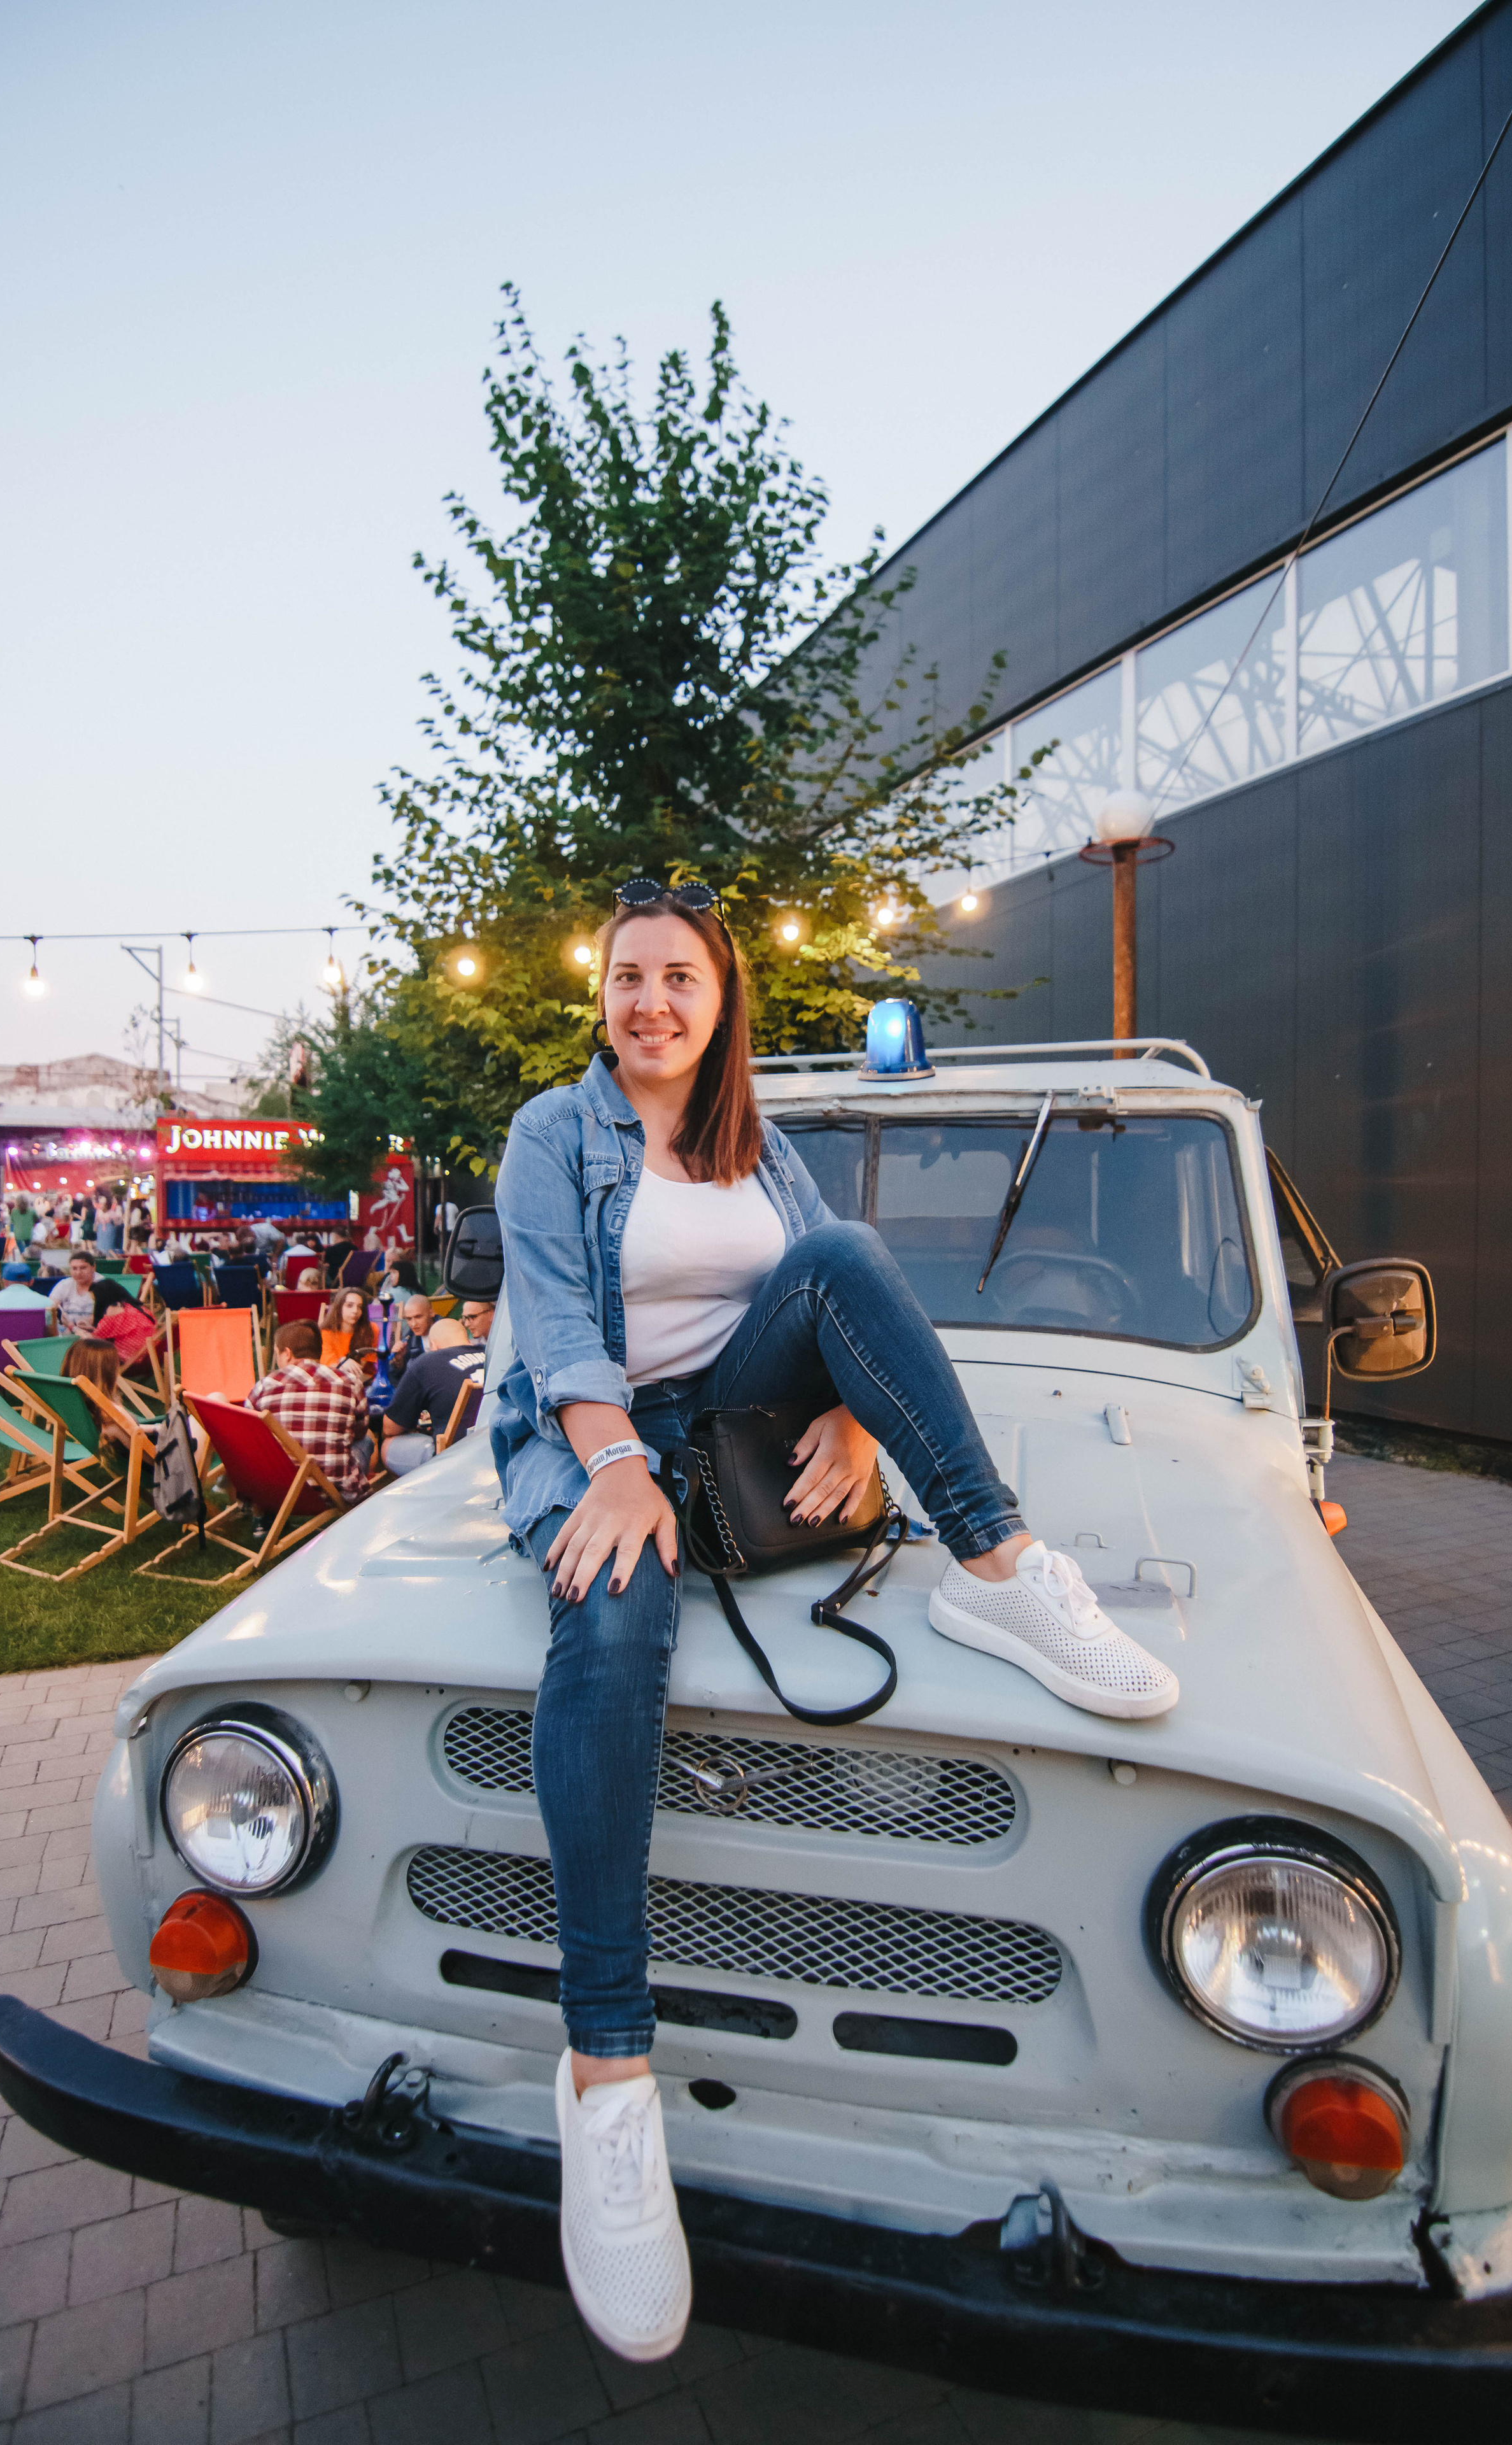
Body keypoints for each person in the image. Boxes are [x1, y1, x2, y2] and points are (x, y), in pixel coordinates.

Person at [490, 877, 1180, 2364]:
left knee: (857, 1251)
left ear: (721, 998)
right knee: (607, 1622)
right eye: (627, 978)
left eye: (680, 977)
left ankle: (999, 1571)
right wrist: (613, 1464)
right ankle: (608, 2082)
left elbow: (831, 1290)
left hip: (738, 1426)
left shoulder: (763, 1144)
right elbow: (552, 1316)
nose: (652, 1002)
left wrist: (859, 1425)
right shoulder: (556, 1133)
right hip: (589, 1425)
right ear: (599, 997)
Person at [246, 1319, 372, 1499]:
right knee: (366, 1442)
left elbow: (252, 1439)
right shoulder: (350, 1382)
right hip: (334, 1492)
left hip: (277, 1489)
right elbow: (360, 1431)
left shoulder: (263, 1387)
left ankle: (263, 1519)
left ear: (287, 1354)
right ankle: (354, 1512)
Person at [378, 1319, 483, 1473]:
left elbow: (390, 1427)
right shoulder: (491, 1353)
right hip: (491, 1445)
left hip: (452, 1458)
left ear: (433, 1346)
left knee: (389, 1445)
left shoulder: (428, 1362)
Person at [88, 1275, 159, 1374]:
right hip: (150, 1357)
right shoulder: (137, 1308)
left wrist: (74, 1328)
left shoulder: (114, 1311)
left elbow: (96, 1338)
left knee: (85, 1345)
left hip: (130, 1361)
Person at [319, 1286, 376, 1376]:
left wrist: (343, 1363)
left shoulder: (372, 1329)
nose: (355, 1311)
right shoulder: (327, 1331)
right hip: (333, 1375)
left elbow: (366, 1366)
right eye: (350, 1306)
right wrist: (342, 1361)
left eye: (360, 1307)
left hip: (363, 1378)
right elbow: (327, 1361)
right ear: (339, 1307)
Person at [47, 1252, 97, 1335]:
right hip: (68, 1330)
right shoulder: (65, 1285)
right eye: (74, 1269)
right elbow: (50, 1306)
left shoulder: (103, 1286)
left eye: (83, 1268)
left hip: (95, 1332)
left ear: (94, 1267)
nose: (78, 1273)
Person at [387, 1293, 434, 1378]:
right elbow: (401, 1378)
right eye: (409, 1319)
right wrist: (399, 1360)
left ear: (431, 1313)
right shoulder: (409, 1338)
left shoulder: (446, 1330)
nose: (413, 1324)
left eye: (418, 1317)